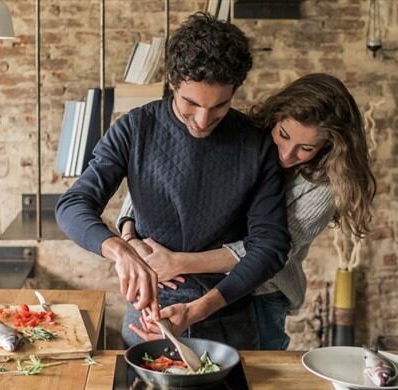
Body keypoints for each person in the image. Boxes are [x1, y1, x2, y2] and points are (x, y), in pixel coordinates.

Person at [55, 13, 290, 349]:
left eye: (220, 105)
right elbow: (72, 205)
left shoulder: (256, 144)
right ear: (172, 80)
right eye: (190, 103)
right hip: (149, 315)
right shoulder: (135, 129)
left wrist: (197, 310)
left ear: (236, 89)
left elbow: (270, 246)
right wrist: (120, 250)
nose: (203, 120)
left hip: (228, 314)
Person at [122, 73, 376, 349]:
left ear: (329, 147)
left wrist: (177, 262)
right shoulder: (243, 137)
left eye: (305, 148)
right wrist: (129, 237)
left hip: (261, 294)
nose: (286, 154)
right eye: (283, 135)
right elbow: (155, 181)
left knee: (252, 371)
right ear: (275, 118)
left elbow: (268, 251)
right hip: (190, 281)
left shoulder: (323, 188)